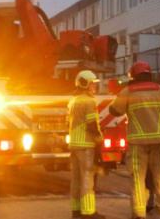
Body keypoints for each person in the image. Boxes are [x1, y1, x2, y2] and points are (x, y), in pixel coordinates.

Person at [109, 61, 160, 219]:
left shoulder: (128, 92)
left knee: (138, 180)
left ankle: (139, 214)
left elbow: (114, 111)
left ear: (133, 75)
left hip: (137, 144)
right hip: (159, 142)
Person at [67, 70, 105, 219]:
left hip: (74, 144)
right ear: (85, 84)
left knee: (76, 179)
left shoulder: (72, 101)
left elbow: (67, 123)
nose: (94, 88)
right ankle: (88, 212)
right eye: (92, 84)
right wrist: (98, 139)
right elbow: (91, 124)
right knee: (87, 178)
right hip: (86, 145)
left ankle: (76, 210)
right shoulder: (89, 101)